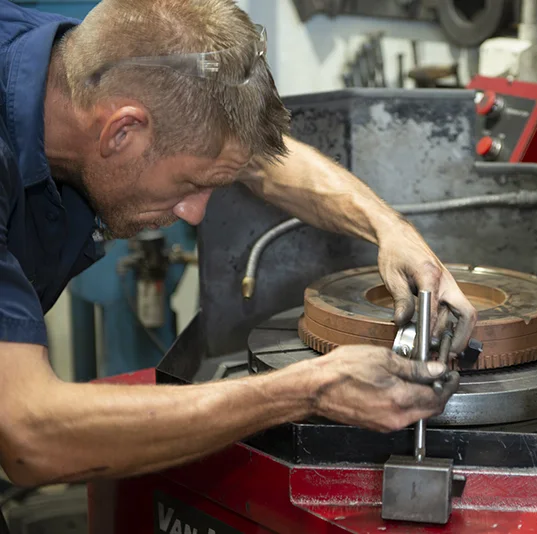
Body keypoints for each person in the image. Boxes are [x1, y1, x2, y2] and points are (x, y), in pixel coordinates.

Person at [0, 0, 478, 492]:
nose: (195, 213)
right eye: (190, 184)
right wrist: (309, 389)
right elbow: (28, 433)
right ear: (122, 130)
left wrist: (389, 228)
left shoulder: (92, 70)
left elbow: (262, 162)